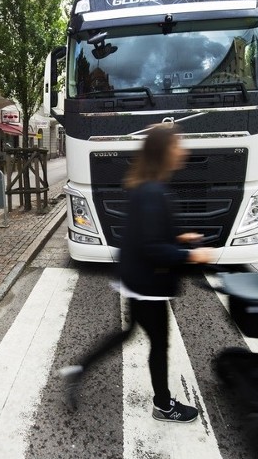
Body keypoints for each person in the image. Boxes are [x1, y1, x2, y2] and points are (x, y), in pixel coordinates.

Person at [59, 123, 214, 423]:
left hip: (137, 279)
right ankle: (164, 405)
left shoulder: (147, 185)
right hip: (147, 284)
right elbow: (152, 247)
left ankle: (79, 369)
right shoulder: (153, 191)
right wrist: (191, 254)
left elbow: (147, 235)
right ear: (165, 152)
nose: (183, 149)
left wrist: (180, 238)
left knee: (129, 334)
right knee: (158, 344)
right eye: (177, 145)